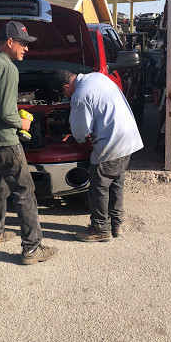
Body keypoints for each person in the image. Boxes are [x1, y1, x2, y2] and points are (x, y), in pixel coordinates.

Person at [0, 20, 58, 265]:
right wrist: (21, 122)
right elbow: (5, 112)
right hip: (5, 140)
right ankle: (32, 249)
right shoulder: (8, 68)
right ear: (10, 42)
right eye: (23, 43)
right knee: (25, 190)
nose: (26, 49)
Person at [49, 70, 143, 242]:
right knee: (116, 183)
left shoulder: (79, 95)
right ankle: (117, 224)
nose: (66, 97)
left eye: (64, 94)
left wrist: (70, 137)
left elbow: (80, 132)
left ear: (65, 86)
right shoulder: (97, 77)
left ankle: (100, 229)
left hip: (112, 142)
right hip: (128, 137)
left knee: (98, 187)